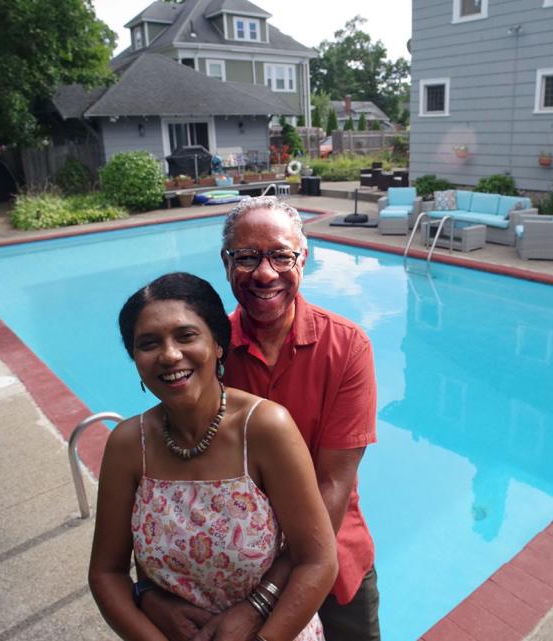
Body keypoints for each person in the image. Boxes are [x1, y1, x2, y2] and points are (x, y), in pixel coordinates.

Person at [138, 197, 380, 641]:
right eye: (247, 257)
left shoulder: (347, 348)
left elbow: (333, 485)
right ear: (226, 263)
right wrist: (147, 591)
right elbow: (173, 467)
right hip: (234, 568)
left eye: (281, 255)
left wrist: (264, 599)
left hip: (334, 563)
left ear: (303, 258)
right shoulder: (206, 351)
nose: (265, 273)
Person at [88, 272, 338, 641]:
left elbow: (317, 560)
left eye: (186, 336)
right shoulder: (128, 445)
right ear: (136, 359)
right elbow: (106, 573)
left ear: (218, 344)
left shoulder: (265, 429)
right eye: (149, 343)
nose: (170, 355)